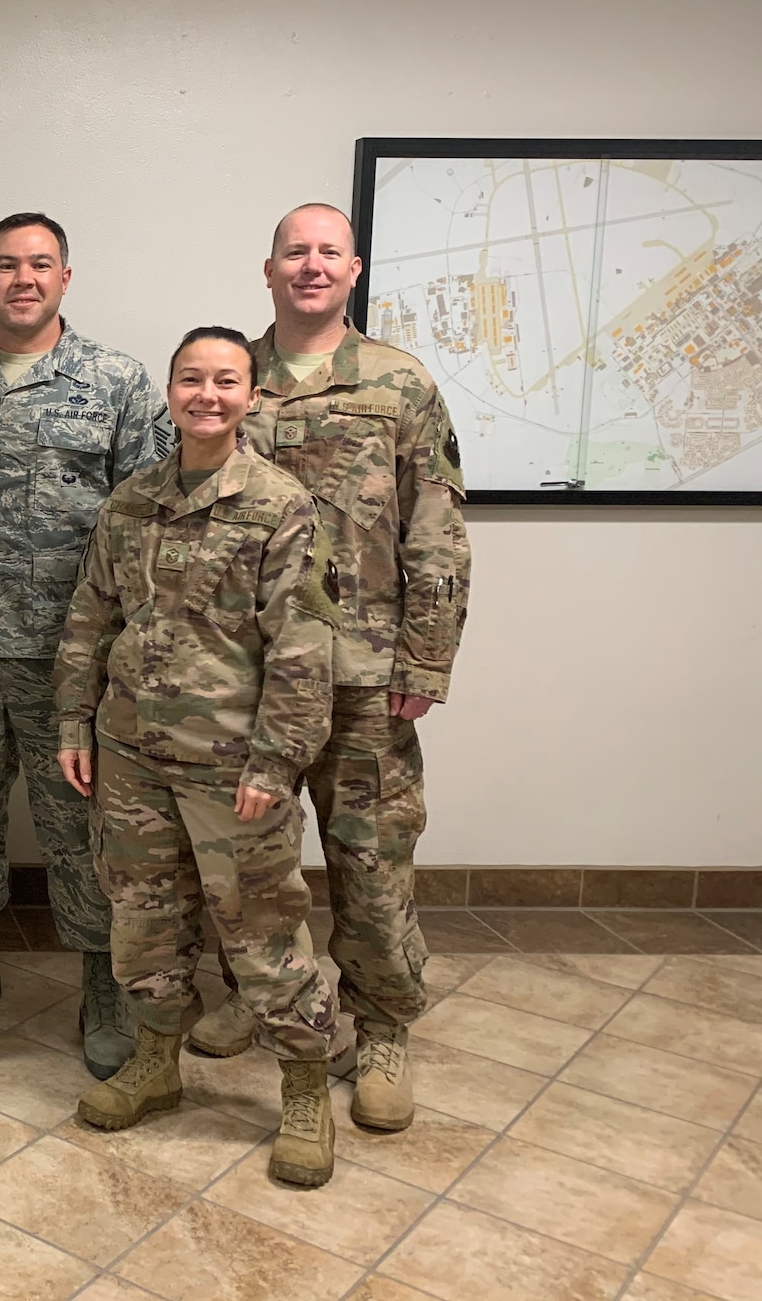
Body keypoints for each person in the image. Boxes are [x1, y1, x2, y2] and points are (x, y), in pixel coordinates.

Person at [187, 203, 470, 1136]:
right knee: (249, 861)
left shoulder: (399, 383)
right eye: (293, 252)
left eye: (327, 253)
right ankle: (255, 996)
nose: (310, 266)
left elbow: (437, 527)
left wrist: (427, 655)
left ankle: (382, 1026)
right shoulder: (228, 376)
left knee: (370, 857)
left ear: (354, 270)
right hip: (243, 673)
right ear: (267, 269)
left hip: (363, 665)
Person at [56, 326, 343, 1188]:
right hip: (131, 752)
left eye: (225, 381)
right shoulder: (131, 501)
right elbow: (90, 616)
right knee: (144, 918)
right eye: (191, 380)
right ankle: (156, 1058)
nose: (207, 396)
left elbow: (302, 645)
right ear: (171, 392)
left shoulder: (279, 505)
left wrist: (275, 762)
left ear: (250, 396)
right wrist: (74, 722)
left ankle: (302, 1086)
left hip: (231, 763)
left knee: (261, 927)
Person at [0, 211, 171, 1079]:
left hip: (74, 661)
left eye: (40, 264)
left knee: (85, 830)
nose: (23, 278)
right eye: (6, 265)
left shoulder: (118, 383)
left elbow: (151, 526)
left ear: (66, 277)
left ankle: (105, 982)